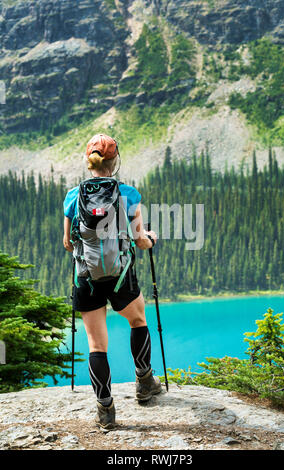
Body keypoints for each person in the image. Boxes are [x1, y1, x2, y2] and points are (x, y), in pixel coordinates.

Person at [63, 133, 162, 430]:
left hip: (87, 278)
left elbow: (67, 243)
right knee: (139, 320)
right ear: (115, 161)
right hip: (120, 275)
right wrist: (151, 238)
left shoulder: (73, 196)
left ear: (88, 160)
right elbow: (140, 241)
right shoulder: (129, 193)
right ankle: (144, 381)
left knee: (96, 345)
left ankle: (105, 411)